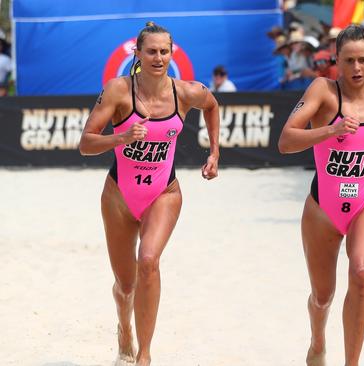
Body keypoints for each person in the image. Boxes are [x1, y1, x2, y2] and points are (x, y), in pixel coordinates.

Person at [78, 22, 220, 366]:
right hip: (119, 196)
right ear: (137, 54)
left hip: (164, 193)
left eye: (164, 51)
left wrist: (214, 152)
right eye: (151, 51)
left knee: (149, 262)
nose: (158, 57)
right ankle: (124, 328)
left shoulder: (185, 92)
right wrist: (121, 138)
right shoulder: (118, 90)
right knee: (125, 286)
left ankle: (144, 355)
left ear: (172, 54)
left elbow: (212, 105)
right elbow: (85, 144)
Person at [277, 24, 364, 366]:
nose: (356, 69)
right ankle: (317, 341)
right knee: (322, 296)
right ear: (335, 61)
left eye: (362, 60)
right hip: (323, 209)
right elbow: (285, 141)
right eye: (348, 61)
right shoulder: (323, 91)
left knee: (361, 273)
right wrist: (331, 130)